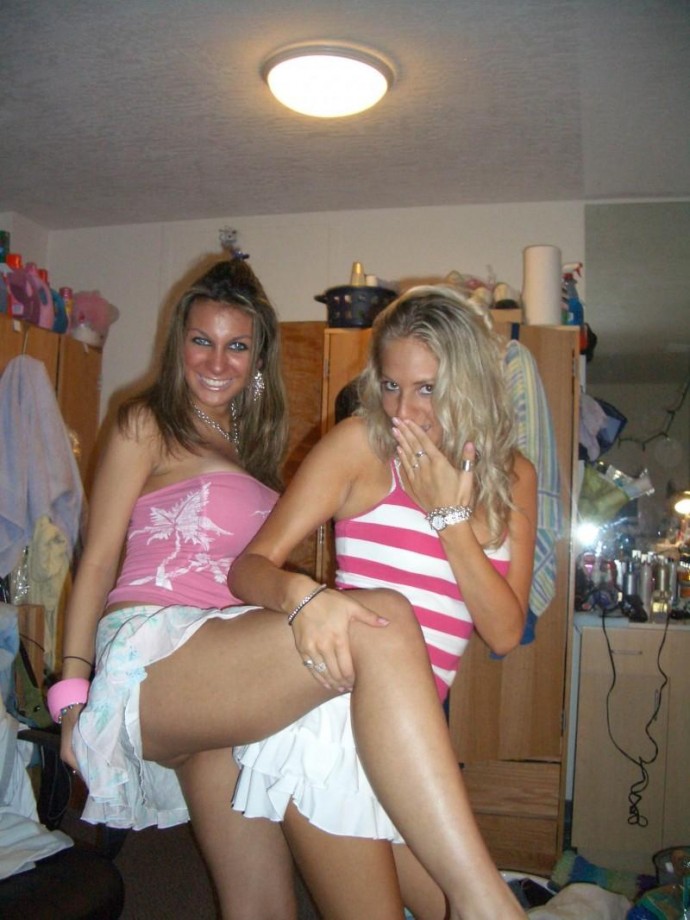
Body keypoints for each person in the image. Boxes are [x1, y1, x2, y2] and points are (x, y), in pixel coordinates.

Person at [51, 251, 527, 919]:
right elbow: (98, 560)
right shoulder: (146, 423)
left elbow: (502, 629)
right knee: (382, 621)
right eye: (201, 341)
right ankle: (487, 902)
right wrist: (71, 696)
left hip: (229, 667)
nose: (217, 363)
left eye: (236, 346)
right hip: (154, 648)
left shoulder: (251, 450)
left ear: (258, 358)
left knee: (261, 907)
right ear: (176, 345)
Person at [229, 285, 538, 919]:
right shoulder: (361, 445)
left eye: (427, 388)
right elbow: (248, 568)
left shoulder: (513, 476)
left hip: (414, 747)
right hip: (333, 720)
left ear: (471, 383)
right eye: (392, 386)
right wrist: (302, 596)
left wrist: (448, 518)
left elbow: (505, 631)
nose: (404, 410)